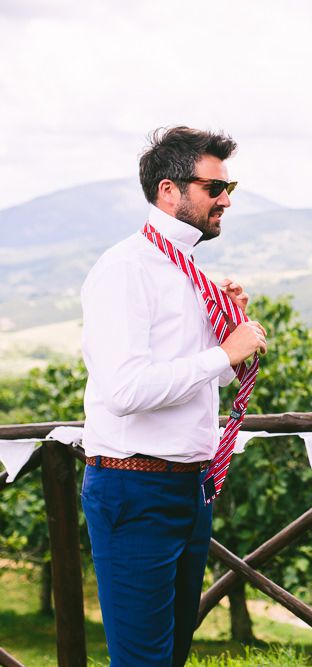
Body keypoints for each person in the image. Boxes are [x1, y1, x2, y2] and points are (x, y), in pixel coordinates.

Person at [80, 126, 267, 666]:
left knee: (171, 655)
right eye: (215, 187)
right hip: (133, 487)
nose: (226, 199)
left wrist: (223, 332)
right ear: (170, 190)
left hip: (191, 488)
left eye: (230, 186)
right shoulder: (126, 269)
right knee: (143, 661)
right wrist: (222, 353)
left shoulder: (191, 270)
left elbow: (206, 379)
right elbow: (124, 390)